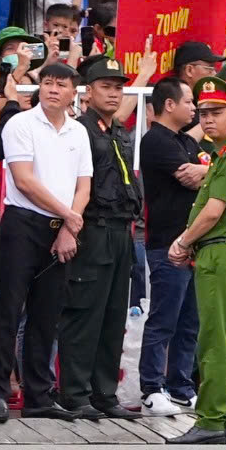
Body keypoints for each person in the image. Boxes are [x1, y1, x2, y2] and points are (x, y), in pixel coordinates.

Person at [0, 57, 92, 420]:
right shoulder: (21, 123)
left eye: (61, 85)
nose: (53, 89)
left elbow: (84, 184)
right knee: (8, 309)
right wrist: (70, 216)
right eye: (47, 82)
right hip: (23, 224)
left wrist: (68, 226)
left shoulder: (78, 132)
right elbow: (24, 180)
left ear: (72, 93)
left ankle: (38, 396)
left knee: (46, 315)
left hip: (61, 229)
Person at [165, 77, 226, 444]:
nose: (208, 119)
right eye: (202, 113)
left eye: (217, 112)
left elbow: (213, 212)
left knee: (214, 338)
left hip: (219, 249)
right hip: (223, 251)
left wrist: (183, 241)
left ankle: (212, 418)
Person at [60, 55, 140, 419]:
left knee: (112, 316)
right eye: (106, 86)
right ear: (87, 92)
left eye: (118, 87)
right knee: (85, 314)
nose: (113, 93)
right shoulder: (79, 130)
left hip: (122, 229)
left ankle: (104, 393)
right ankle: (76, 393)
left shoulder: (118, 129)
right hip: (92, 228)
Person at [136, 78, 206, 415]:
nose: (194, 108)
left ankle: (181, 386)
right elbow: (187, 176)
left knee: (189, 321)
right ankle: (151, 387)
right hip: (168, 245)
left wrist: (206, 168)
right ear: (169, 104)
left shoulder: (183, 140)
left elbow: (200, 171)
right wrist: (216, 171)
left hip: (194, 245)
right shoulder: (155, 140)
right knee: (164, 318)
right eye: (190, 101)